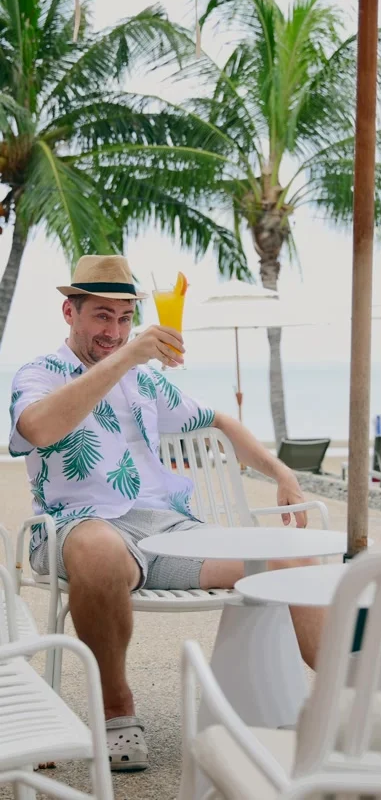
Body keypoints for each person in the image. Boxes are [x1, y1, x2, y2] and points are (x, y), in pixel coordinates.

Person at [9, 255, 324, 772]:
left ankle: (349, 703)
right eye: (101, 316)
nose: (114, 330)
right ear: (70, 312)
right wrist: (127, 358)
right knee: (100, 549)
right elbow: (38, 429)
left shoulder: (149, 383)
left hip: (169, 532)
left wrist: (281, 472)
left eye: (125, 317)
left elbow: (219, 420)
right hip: (78, 527)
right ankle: (116, 714)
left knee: (291, 559)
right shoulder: (39, 373)